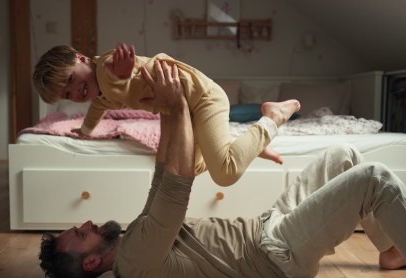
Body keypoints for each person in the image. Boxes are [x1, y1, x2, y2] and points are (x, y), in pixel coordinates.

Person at [38, 61, 406, 278]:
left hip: (269, 226)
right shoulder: (134, 259)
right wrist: (175, 107)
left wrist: (170, 109)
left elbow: (163, 172)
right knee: (373, 179)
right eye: (81, 234)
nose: (88, 223)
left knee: (343, 155)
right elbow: (179, 183)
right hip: (278, 254)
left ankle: (391, 249)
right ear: (92, 264)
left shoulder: (131, 240)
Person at [32, 43, 300, 187]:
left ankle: (273, 117)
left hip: (202, 98)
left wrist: (123, 74)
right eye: (67, 95)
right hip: (183, 111)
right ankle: (247, 146)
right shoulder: (100, 91)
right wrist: (86, 130)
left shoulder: (108, 67)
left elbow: (118, 82)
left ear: (81, 58)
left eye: (69, 80)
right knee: (189, 168)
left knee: (226, 173)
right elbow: (99, 106)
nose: (74, 91)